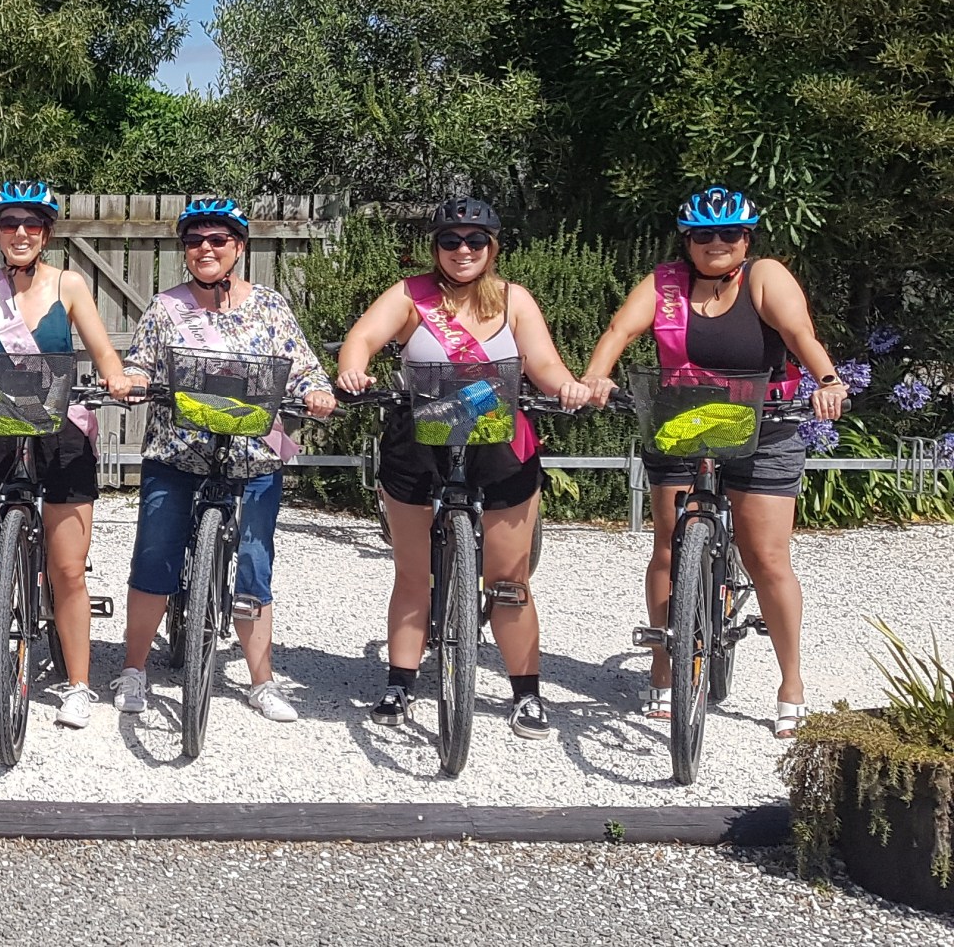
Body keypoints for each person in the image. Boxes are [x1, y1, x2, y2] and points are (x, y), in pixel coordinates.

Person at [580, 186, 848, 738]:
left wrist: (827, 380)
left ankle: (791, 682)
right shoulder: (666, 285)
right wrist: (595, 376)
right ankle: (664, 665)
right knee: (668, 545)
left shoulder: (764, 277)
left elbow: (800, 334)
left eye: (729, 234)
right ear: (688, 241)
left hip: (763, 425)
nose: (717, 244)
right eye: (704, 235)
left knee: (767, 556)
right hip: (683, 422)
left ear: (746, 239)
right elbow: (619, 332)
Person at [334, 198, 594, 741]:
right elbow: (361, 338)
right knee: (411, 573)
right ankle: (400, 682)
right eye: (450, 240)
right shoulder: (410, 295)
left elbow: (542, 363)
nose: (462, 250)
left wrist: (563, 385)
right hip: (419, 439)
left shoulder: (514, 300)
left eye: (475, 240)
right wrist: (353, 370)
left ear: (492, 246)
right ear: (435, 247)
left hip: (499, 442)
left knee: (507, 579)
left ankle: (526, 692)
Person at [114, 198, 335, 724]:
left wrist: (317, 392)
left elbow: (303, 367)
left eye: (217, 240)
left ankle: (262, 681)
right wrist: (137, 379)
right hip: (178, 452)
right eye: (194, 241)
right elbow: (140, 361)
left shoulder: (271, 307)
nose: (205, 249)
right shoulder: (166, 308)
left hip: (254, 454)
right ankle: (133, 669)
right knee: (155, 555)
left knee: (256, 563)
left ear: (239, 247)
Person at [0, 180, 133, 730]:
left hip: (59, 430)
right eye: (10, 224)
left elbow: (101, 348)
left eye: (33, 224)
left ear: (46, 232)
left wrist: (114, 376)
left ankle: (79, 685)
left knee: (66, 568)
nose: (21, 233)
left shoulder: (70, 283)